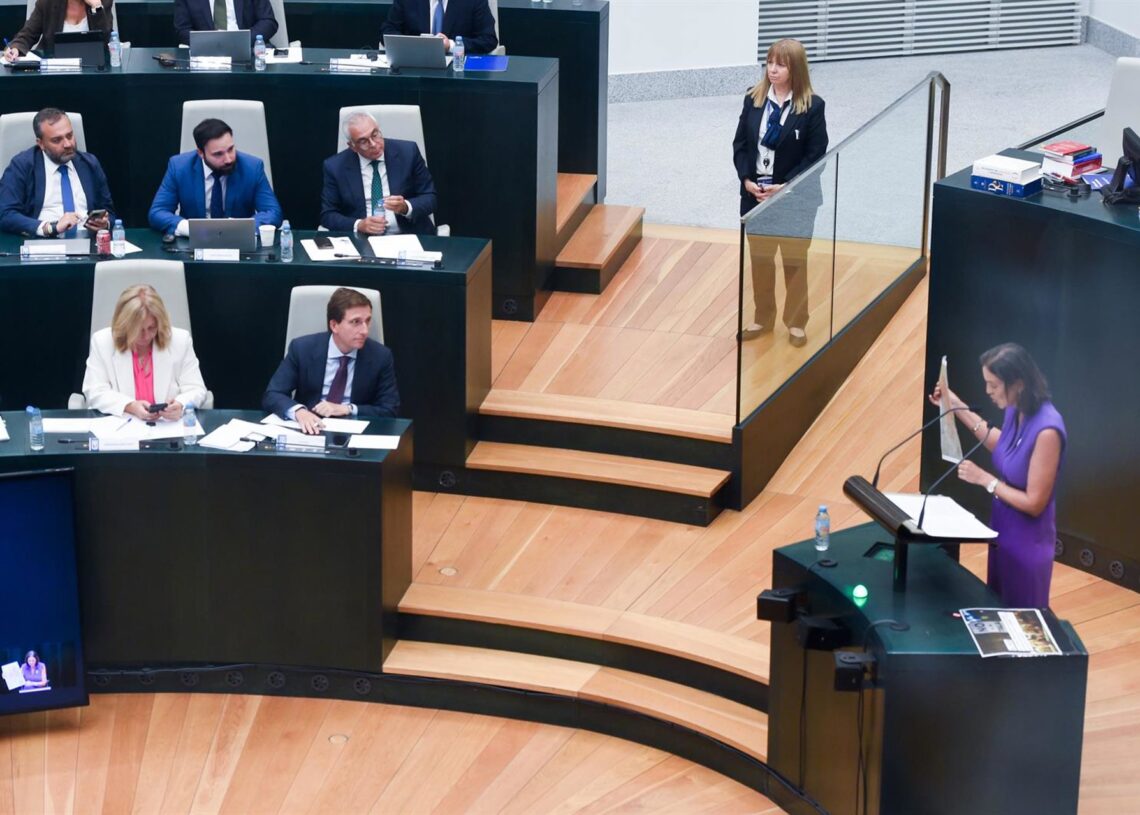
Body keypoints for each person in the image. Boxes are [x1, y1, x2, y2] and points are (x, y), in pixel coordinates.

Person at [930, 343, 1066, 608]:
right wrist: (954, 405)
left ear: (1017, 383)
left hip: (1027, 544)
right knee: (997, 609)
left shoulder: (1048, 431)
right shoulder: (1016, 408)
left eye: (993, 385)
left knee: (1020, 619)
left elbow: (1034, 503)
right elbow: (1004, 447)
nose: (987, 391)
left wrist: (985, 480)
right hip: (1002, 531)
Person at [732, 38, 828, 348]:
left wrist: (786, 185)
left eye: (780, 65)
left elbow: (816, 156)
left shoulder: (812, 107)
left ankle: (796, 322)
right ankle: (763, 318)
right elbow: (740, 145)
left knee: (793, 261)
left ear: (795, 69)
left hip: (793, 197)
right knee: (760, 261)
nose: (772, 69)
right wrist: (746, 179)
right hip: (756, 195)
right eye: (770, 62)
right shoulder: (753, 99)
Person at [263, 287, 400, 434]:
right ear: (334, 325)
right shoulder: (302, 349)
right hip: (309, 429)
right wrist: (299, 412)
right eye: (356, 322)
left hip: (354, 432)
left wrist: (348, 408)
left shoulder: (380, 356)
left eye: (367, 321)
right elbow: (273, 394)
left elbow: (389, 409)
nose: (365, 331)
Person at [82, 284, 208, 420]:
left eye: (151, 328)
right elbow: (95, 391)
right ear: (124, 325)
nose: (146, 336)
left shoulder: (180, 340)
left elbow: (196, 389)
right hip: (120, 426)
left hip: (166, 426)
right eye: (138, 330)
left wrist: (180, 404)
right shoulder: (102, 342)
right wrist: (130, 406)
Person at [148, 118, 282, 237]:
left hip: (238, 243)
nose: (228, 159)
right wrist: (191, 229)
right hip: (193, 244)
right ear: (201, 153)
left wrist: (239, 227)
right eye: (218, 154)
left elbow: (273, 212)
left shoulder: (252, 167)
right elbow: (158, 212)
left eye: (231, 149)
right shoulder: (179, 167)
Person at [0, 108, 114, 238]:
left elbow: (109, 212)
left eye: (69, 136)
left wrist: (104, 224)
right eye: (57, 140)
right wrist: (50, 227)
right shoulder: (22, 165)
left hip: (88, 242)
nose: (67, 144)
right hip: (42, 243)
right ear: (41, 144)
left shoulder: (90, 164)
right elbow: (5, 214)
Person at [320, 112, 438, 236]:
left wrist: (406, 207)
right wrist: (358, 225)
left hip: (408, 235)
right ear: (352, 146)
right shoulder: (335, 167)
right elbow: (328, 214)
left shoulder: (408, 152)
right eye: (363, 141)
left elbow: (430, 197)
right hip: (362, 240)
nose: (373, 144)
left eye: (375, 135)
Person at [2, 0, 112, 59]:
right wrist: (16, 48)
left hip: (91, 71)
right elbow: (27, 34)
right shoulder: (47, 3)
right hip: (53, 72)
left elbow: (106, 41)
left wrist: (97, 7)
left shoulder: (103, 2)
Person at [381, 0, 498, 55]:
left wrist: (451, 46)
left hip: (458, 71)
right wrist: (409, 44)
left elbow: (488, 39)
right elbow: (388, 29)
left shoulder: (473, 1)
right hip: (414, 68)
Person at [172, 0, 276, 46]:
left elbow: (268, 21)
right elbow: (182, 29)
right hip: (206, 56)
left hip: (249, 50)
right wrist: (210, 43)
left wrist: (242, 40)